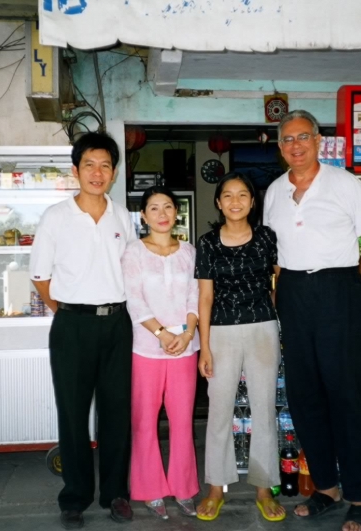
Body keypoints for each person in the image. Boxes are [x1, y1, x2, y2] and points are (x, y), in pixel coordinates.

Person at [263, 110, 361, 531]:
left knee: (345, 395)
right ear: (280, 147)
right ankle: (327, 488)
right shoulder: (275, 192)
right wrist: (280, 294)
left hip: (339, 290)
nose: (295, 145)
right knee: (304, 396)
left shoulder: (344, 182)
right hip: (294, 295)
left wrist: (353, 285)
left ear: (318, 140)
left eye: (303, 137)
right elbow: (274, 258)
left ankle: (359, 497)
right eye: (286, 139)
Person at [30, 132, 136, 530]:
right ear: (75, 170)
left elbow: (131, 269)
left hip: (117, 325)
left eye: (105, 165)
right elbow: (40, 278)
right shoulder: (56, 217)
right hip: (72, 326)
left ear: (114, 171)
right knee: (73, 415)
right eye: (89, 164)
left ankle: (115, 494)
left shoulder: (121, 217)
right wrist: (72, 312)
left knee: (116, 414)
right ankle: (74, 497)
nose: (97, 172)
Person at [195, 173, 286, 522]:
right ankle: (217, 487)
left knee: (264, 409)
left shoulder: (266, 238)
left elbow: (283, 279)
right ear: (219, 203)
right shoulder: (207, 243)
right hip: (221, 331)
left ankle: (264, 489)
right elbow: (205, 296)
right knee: (219, 410)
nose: (235, 201)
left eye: (243, 195)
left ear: (252, 201)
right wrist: (204, 347)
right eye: (228, 196)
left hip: (263, 327)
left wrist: (279, 314)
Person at [121, 186, 200, 520]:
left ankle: (184, 489)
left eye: (168, 206)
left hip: (185, 348)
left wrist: (189, 331)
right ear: (143, 216)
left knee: (183, 421)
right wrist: (161, 332)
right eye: (154, 208)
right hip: (146, 348)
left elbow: (197, 295)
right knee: (144, 421)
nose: (162, 213)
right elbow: (134, 298)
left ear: (176, 212)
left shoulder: (190, 251)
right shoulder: (133, 252)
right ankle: (150, 489)